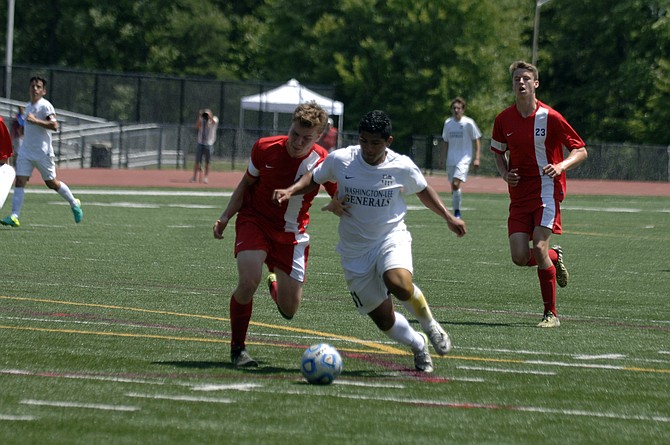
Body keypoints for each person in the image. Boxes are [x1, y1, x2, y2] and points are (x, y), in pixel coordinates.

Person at [274, 110, 467, 373]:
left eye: (375, 143)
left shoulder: (401, 165)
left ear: (388, 141)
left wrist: (448, 217)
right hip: (354, 251)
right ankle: (418, 344)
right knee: (384, 319)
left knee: (398, 283)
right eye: (364, 141)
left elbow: (423, 190)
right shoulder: (342, 159)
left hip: (390, 238)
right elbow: (314, 178)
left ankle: (429, 325)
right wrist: (291, 189)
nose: (368, 148)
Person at [212, 102, 337, 367]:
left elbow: (341, 196)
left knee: (289, 310)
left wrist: (343, 206)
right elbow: (246, 184)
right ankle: (238, 350)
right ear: (289, 126)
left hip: (291, 234)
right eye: (294, 134)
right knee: (248, 280)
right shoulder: (264, 147)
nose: (298, 142)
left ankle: (275, 282)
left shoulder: (324, 160)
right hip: (254, 221)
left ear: (319, 137)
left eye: (307, 138)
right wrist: (225, 216)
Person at [491, 60, 588, 328]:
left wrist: (560, 166)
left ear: (535, 84)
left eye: (525, 79)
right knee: (520, 257)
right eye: (516, 79)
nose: (520, 83)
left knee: (539, 245)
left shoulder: (551, 117)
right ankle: (554, 258)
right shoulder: (503, 119)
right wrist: (503, 173)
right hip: (519, 194)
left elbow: (580, 150)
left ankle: (551, 314)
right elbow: (498, 152)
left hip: (546, 190)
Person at [1, 77, 83, 227]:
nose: (35, 89)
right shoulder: (28, 107)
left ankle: (74, 202)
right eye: (32, 86)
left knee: (51, 183)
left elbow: (54, 125)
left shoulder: (45, 106)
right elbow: (27, 127)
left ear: (43, 91)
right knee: (19, 182)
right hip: (26, 151)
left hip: (42, 152)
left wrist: (36, 121)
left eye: (38, 87)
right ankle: (14, 216)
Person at [439, 97, 481, 219]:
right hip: (451, 159)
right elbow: (445, 142)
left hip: (464, 158)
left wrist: (477, 158)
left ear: (463, 110)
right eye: (454, 108)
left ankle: (457, 212)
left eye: (458, 108)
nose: (456, 110)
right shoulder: (448, 123)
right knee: (453, 186)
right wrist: (442, 157)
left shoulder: (469, 123)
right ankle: (456, 208)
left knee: (456, 183)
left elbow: (476, 140)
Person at [191, 108, 218, 184]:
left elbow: (213, 122)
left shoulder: (214, 119)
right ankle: (194, 177)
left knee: (207, 161)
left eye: (207, 114)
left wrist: (210, 116)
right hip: (200, 142)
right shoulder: (202, 120)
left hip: (209, 143)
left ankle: (206, 177)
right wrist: (200, 116)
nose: (206, 116)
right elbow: (197, 126)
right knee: (197, 161)